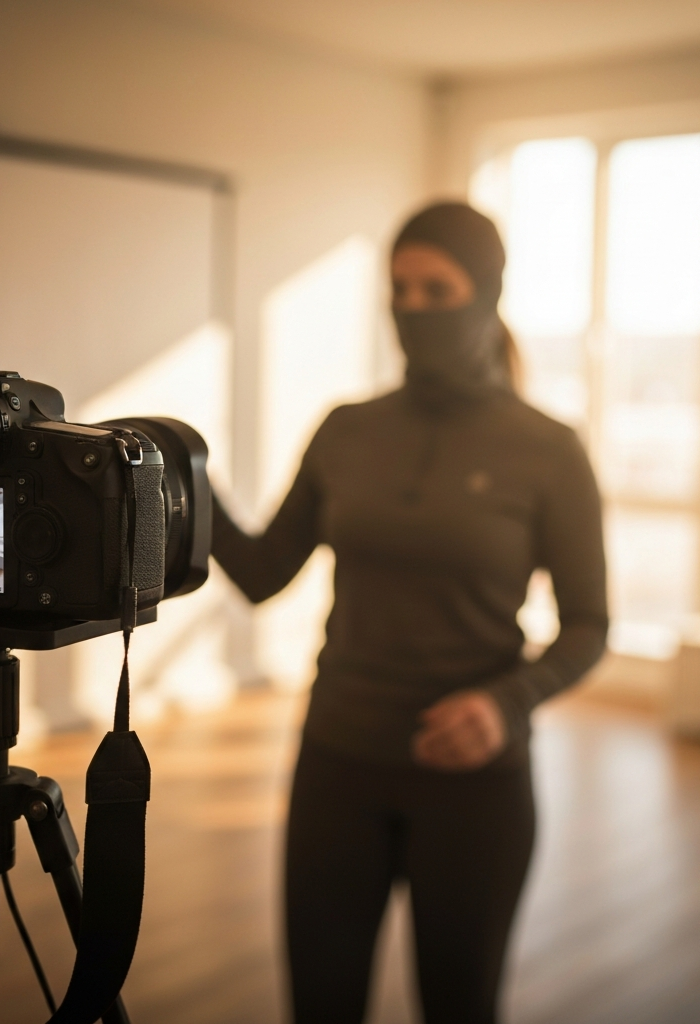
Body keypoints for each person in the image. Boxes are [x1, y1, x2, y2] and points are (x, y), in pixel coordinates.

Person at [212, 202, 607, 1024]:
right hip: (338, 763)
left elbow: (588, 625)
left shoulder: (548, 449)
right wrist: (177, 466)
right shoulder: (347, 430)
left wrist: (506, 704)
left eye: (437, 289)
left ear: (487, 295)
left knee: (460, 1007)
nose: (414, 308)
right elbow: (261, 573)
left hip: (474, 789)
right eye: (399, 290)